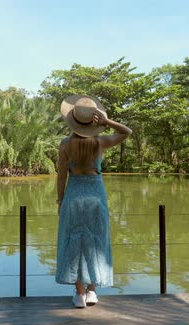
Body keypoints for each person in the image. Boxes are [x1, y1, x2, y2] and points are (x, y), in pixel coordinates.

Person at [55, 94, 132, 308]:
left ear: (73, 120)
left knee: (75, 239)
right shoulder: (100, 142)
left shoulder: (65, 145)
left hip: (74, 193)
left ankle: (79, 295)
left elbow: (61, 176)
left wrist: (60, 200)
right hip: (96, 193)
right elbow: (127, 132)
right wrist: (107, 122)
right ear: (92, 122)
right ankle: (92, 292)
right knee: (96, 240)